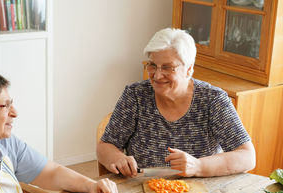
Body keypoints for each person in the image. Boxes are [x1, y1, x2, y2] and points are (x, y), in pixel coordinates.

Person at [97, 28, 255, 178]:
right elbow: (105, 146)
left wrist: (198, 166)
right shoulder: (135, 96)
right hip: (141, 189)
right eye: (152, 65)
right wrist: (118, 158)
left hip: (200, 192)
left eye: (168, 67)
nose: (157, 75)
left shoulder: (213, 100)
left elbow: (247, 157)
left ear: (188, 69)